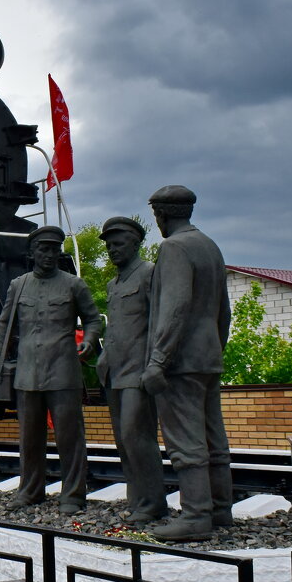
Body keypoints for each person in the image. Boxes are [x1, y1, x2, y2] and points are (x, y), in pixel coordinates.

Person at [0, 225, 102, 513]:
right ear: (33, 252)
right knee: (29, 438)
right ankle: (30, 491)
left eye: (54, 249)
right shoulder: (19, 285)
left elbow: (93, 319)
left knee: (69, 437)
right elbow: (4, 324)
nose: (50, 255)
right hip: (27, 373)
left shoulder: (74, 285)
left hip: (63, 372)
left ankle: (73, 495)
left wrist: (89, 341)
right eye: (44, 249)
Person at [141, 185, 233, 542]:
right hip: (207, 357)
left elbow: (174, 308)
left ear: (161, 214)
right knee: (213, 438)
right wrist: (215, 349)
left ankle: (196, 516)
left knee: (186, 440)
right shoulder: (210, 246)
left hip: (180, 360)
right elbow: (223, 310)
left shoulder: (174, 248)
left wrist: (158, 360)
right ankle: (220, 509)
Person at [96, 217, 166, 523]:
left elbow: (160, 323)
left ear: (135, 244)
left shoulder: (149, 274)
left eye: (118, 244)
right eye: (109, 246)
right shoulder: (113, 284)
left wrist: (155, 365)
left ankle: (153, 503)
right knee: (124, 441)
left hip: (138, 370)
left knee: (137, 437)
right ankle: (137, 500)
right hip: (114, 371)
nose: (112, 250)